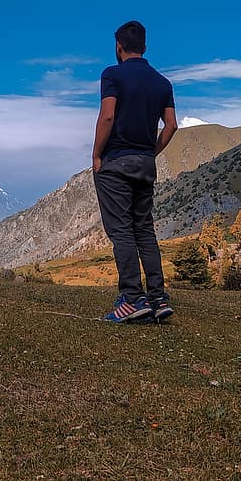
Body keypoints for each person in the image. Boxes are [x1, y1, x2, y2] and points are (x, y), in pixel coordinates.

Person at [92, 20, 178, 324]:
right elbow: (171, 125)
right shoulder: (162, 83)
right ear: (145, 46)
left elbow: (107, 116)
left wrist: (97, 154)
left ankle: (131, 299)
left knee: (122, 231)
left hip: (116, 163)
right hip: (145, 164)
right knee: (144, 229)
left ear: (118, 46)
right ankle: (158, 297)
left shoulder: (112, 75)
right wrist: (151, 152)